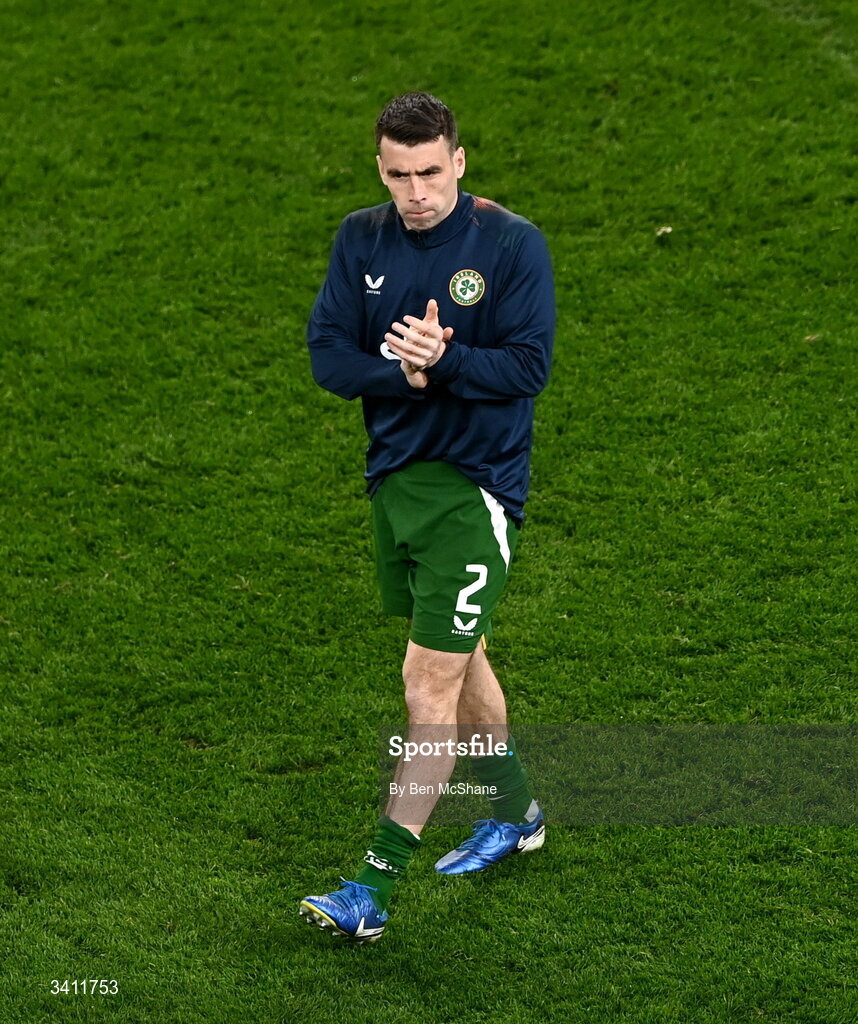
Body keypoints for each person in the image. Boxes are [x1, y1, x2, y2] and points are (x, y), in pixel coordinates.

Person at [300, 92, 555, 943]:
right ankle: (517, 816)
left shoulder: (511, 244)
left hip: (476, 492)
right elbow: (329, 357)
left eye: (431, 173)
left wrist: (445, 360)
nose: (416, 193)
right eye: (400, 175)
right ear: (380, 168)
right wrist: (401, 375)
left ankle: (370, 890)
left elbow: (528, 367)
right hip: (397, 484)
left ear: (460, 161)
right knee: (464, 653)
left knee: (428, 682)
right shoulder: (360, 239)